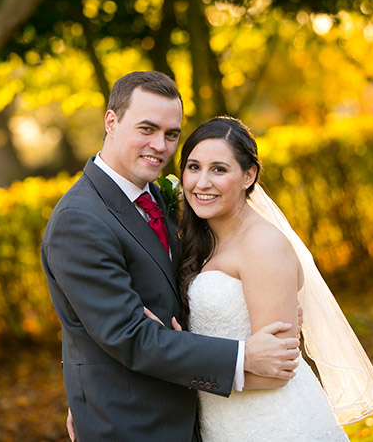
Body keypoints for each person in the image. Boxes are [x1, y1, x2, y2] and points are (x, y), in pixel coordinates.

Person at [41, 72, 301, 442]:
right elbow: (129, 336)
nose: (160, 146)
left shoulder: (161, 199)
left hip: (198, 414)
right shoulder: (80, 221)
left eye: (171, 134)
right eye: (147, 129)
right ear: (111, 122)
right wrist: (243, 356)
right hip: (131, 424)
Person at [147, 116, 373, 441]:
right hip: (224, 422)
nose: (201, 183)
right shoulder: (201, 241)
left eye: (219, 169)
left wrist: (184, 367)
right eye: (193, 167)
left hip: (275, 424)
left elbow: (277, 373)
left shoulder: (263, 245)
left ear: (249, 175)